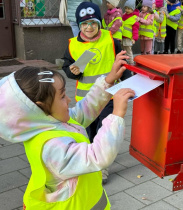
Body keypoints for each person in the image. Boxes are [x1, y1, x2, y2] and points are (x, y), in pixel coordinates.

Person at [0, 53, 135, 209]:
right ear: (40, 106)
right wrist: (116, 115)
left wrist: (108, 81)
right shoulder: (51, 147)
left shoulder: (49, 120)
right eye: (63, 96)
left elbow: (83, 110)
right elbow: (97, 156)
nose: (69, 99)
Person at [62, 2, 132, 184]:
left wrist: (129, 84)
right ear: (79, 25)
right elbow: (66, 67)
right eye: (84, 24)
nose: (89, 27)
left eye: (93, 23)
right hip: (84, 99)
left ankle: (102, 168)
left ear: (99, 23)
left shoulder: (111, 40)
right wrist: (72, 71)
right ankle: (91, 158)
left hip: (108, 95)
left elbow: (123, 64)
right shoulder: (72, 45)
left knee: (105, 128)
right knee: (89, 131)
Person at [122, 0, 140, 64]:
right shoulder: (123, 16)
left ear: (132, 9)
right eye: (126, 8)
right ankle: (125, 63)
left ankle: (131, 64)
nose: (127, 10)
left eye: (129, 9)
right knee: (123, 51)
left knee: (128, 51)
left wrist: (134, 38)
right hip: (122, 37)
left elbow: (135, 29)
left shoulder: (134, 18)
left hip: (128, 38)